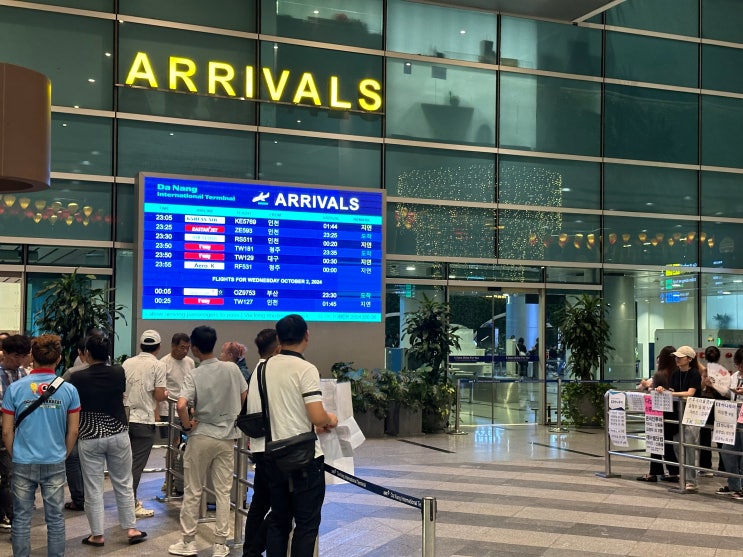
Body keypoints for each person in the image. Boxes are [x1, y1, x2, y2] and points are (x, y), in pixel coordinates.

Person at [247, 314, 338, 557]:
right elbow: (317, 416)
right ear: (306, 335)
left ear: (278, 338)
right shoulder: (306, 369)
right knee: (306, 526)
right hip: (304, 458)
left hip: (272, 455)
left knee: (278, 520)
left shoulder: (263, 367)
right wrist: (331, 419)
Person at [169, 325, 248, 557]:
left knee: (193, 489)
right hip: (227, 437)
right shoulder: (232, 369)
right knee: (223, 492)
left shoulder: (194, 374)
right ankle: (220, 544)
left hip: (201, 435)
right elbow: (245, 396)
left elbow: (181, 405)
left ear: (194, 348)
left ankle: (188, 541)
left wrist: (187, 425)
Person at [1, 335, 80, 557]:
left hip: (23, 461)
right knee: (55, 518)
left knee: (21, 518)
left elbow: (6, 431)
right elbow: (73, 431)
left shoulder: (15, 388)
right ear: (59, 358)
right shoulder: (69, 390)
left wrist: (15, 453)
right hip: (54, 459)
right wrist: (63, 454)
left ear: (32, 357)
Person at [69, 334, 147, 547]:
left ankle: (97, 535)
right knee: (123, 482)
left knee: (93, 487)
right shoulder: (118, 372)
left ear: (86, 353)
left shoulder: (77, 378)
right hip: (118, 432)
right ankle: (131, 529)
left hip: (89, 435)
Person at [243, 329, 281, 557]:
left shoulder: (257, 370)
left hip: (259, 446)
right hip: (271, 448)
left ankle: (250, 551)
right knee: (281, 506)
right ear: (277, 348)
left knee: (259, 504)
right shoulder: (271, 371)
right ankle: (253, 549)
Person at [123, 329, 167, 518]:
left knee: (125, 464)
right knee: (136, 466)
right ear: (158, 347)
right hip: (144, 420)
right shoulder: (158, 365)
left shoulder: (127, 363)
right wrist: (166, 393)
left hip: (125, 419)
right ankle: (130, 505)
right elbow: (159, 394)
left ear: (141, 346)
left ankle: (128, 501)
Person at [656, 345, 702, 492]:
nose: (677, 359)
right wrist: (663, 390)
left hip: (693, 414)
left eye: (680, 357)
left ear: (689, 359)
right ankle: (684, 476)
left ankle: (691, 480)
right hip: (678, 413)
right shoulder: (676, 373)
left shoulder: (694, 374)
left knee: (689, 446)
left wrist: (671, 394)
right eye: (676, 357)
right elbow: (672, 390)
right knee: (677, 445)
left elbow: (690, 393)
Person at [0, 333, 31, 531]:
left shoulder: (25, 376)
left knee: (11, 475)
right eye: (16, 356)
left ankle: (14, 518)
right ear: (5, 353)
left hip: (16, 432)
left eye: (23, 356)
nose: (19, 360)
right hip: (3, 428)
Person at [636, 345, 679, 482]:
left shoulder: (660, 375)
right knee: (666, 443)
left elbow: (655, 393)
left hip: (660, 413)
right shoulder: (678, 373)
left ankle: (661, 472)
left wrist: (648, 388)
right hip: (676, 412)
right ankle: (667, 471)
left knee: (658, 442)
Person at [61, 337, 90, 512]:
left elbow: (57, 392)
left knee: (72, 459)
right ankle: (91, 498)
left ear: (80, 352)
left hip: (75, 420)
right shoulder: (112, 372)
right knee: (92, 461)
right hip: (98, 424)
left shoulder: (72, 373)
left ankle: (79, 499)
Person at [699, 345, 730, 474]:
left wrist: (712, 385)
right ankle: (721, 467)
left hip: (712, 405)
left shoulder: (718, 372)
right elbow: (701, 388)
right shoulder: (716, 371)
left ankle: (707, 467)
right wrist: (705, 382)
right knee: (717, 437)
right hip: (714, 406)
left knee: (710, 437)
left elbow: (726, 392)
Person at [717, 347, 743, 498]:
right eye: (738, 364)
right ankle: (734, 484)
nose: (740, 368)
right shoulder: (735, 376)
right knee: (727, 451)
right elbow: (729, 394)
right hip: (732, 417)